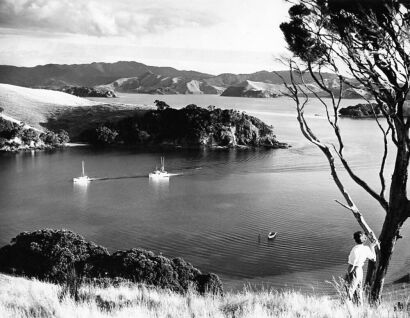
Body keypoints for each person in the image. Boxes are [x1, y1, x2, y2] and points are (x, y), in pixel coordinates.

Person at [345, 231, 377, 304]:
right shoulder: (366, 248)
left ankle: (345, 307)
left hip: (354, 271)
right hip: (360, 271)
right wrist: (372, 247)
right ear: (364, 240)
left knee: (349, 291)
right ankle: (360, 309)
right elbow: (374, 258)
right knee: (359, 291)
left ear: (355, 240)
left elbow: (351, 265)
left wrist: (347, 275)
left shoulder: (355, 250)